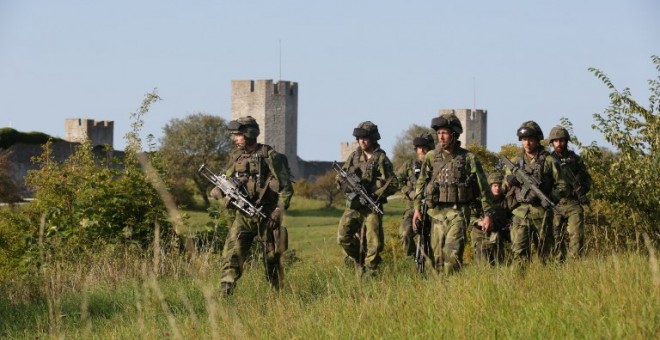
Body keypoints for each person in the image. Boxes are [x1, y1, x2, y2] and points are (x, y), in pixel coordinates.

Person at [212, 116, 293, 295]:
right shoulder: (237, 157)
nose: (235, 139)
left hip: (268, 216)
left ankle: (277, 298)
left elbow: (286, 187)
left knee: (272, 259)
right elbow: (226, 180)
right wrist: (220, 191)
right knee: (232, 256)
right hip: (244, 216)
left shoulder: (270, 156)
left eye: (238, 135)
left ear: (249, 134)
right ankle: (224, 294)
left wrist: (279, 210)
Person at [412, 113, 494, 275]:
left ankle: (452, 289)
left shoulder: (468, 158)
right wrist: (416, 209)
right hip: (436, 214)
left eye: (445, 133)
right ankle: (442, 294)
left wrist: (487, 215)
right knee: (438, 259)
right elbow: (421, 183)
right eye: (439, 133)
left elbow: (483, 188)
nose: (441, 137)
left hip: (459, 213)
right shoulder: (430, 157)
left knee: (452, 255)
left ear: (454, 134)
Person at [336, 121, 399, 276]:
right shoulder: (354, 156)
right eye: (359, 138)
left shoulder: (380, 158)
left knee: (374, 243)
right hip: (355, 205)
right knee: (343, 236)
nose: (361, 141)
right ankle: (359, 258)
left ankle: (371, 272)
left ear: (372, 138)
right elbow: (340, 176)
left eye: (365, 138)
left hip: (372, 205)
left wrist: (376, 194)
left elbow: (393, 183)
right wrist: (346, 186)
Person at [503, 121, 567, 271]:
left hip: (542, 214)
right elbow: (503, 187)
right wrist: (509, 182)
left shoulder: (549, 161)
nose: (527, 143)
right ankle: (518, 288)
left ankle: (548, 287)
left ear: (538, 139)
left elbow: (563, 186)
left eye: (531, 139)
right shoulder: (515, 162)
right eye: (524, 139)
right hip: (521, 213)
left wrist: (549, 195)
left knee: (547, 255)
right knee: (519, 254)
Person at [548, 126, 592, 262]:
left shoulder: (576, 159)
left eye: (561, 140)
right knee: (556, 238)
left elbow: (587, 179)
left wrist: (581, 190)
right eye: (555, 141)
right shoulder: (548, 160)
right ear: (552, 143)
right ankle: (557, 268)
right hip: (555, 203)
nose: (558, 144)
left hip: (573, 202)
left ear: (566, 141)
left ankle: (575, 265)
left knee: (577, 236)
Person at [395, 132, 434, 257]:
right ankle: (412, 258)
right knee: (405, 234)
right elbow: (397, 180)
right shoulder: (409, 165)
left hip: (433, 208)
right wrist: (410, 192)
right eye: (418, 147)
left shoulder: (438, 165)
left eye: (424, 147)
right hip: (412, 208)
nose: (421, 150)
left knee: (436, 239)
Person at [470, 172, 512, 266]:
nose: (497, 188)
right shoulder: (480, 200)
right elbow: (470, 216)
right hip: (481, 237)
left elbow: (509, 216)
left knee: (500, 267)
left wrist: (508, 225)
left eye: (499, 186)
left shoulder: (506, 200)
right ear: (490, 186)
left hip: (497, 237)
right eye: (495, 186)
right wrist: (479, 222)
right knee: (484, 267)